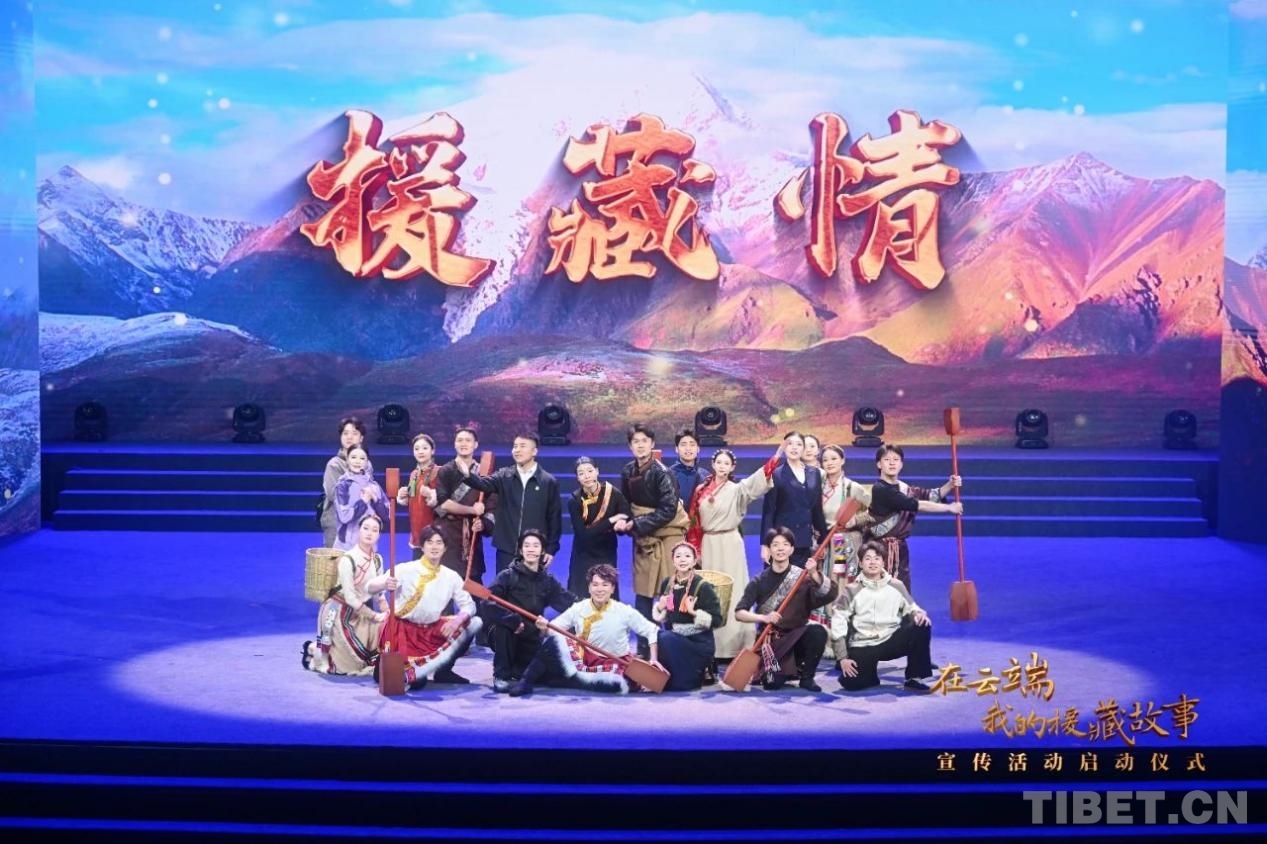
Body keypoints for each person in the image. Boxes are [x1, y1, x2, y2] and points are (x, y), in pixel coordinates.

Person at [683, 445, 782, 663]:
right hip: (708, 543)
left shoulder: (737, 490)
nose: (722, 466)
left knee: (735, 590)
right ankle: (713, 646)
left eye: (726, 463)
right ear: (713, 464)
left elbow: (758, 480)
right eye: (719, 462)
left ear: (732, 467)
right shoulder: (701, 490)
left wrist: (776, 457)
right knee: (710, 592)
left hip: (730, 542)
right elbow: (693, 522)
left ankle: (737, 645)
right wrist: (694, 548)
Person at [507, 563, 663, 697]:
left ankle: (566, 681)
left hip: (614, 662)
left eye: (605, 585)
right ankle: (526, 682)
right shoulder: (579, 608)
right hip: (583, 658)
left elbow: (651, 630)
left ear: (612, 588)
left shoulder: (625, 611)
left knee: (617, 685)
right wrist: (545, 627)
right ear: (589, 587)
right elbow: (555, 629)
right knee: (554, 641)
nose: (599, 589)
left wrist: (654, 659)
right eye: (595, 584)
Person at [369, 525, 482, 690]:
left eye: (439, 542)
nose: (434, 547)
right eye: (430, 542)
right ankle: (394, 667)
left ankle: (444, 671)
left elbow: (469, 605)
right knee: (412, 682)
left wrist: (457, 621)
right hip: (401, 632)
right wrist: (385, 583)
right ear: (422, 546)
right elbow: (370, 587)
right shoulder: (405, 569)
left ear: (445, 548)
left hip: (430, 631)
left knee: (472, 623)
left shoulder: (451, 576)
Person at [734, 527, 838, 691]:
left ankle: (807, 678)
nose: (780, 548)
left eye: (785, 544)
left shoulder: (802, 577)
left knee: (818, 632)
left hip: (798, 636)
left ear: (792, 549)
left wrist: (814, 574)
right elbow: (739, 613)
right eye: (775, 544)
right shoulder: (759, 581)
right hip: (774, 642)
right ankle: (786, 671)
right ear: (769, 550)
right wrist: (764, 618)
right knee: (772, 684)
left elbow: (828, 595)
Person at [611, 424, 689, 626]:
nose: (640, 445)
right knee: (643, 590)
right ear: (630, 446)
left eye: (644, 441)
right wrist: (624, 520)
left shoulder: (663, 473)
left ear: (652, 444)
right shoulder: (628, 471)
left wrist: (637, 523)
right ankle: (645, 640)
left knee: (670, 589)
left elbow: (668, 510)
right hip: (644, 537)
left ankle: (671, 636)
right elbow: (626, 504)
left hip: (668, 534)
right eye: (635, 441)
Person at [831, 540, 934, 693]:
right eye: (868, 558)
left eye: (877, 558)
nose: (873, 562)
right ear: (860, 563)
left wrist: (918, 614)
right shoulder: (851, 590)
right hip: (863, 644)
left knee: (922, 624)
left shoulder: (896, 585)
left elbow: (912, 607)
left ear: (883, 562)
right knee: (853, 684)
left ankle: (914, 677)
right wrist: (842, 657)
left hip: (890, 639)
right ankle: (869, 675)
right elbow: (838, 621)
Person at [483, 529, 578, 693]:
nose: (531, 549)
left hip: (532, 636)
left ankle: (518, 671)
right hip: (509, 634)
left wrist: (593, 606)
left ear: (542, 551)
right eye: (526, 546)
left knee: (549, 676)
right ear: (521, 550)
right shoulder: (507, 576)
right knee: (503, 628)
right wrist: (512, 620)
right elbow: (487, 602)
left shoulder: (547, 581)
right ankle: (501, 675)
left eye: (535, 546)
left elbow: (569, 603)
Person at [303, 514, 392, 676]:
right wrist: (374, 616)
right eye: (366, 528)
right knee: (348, 666)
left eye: (375, 530)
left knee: (385, 631)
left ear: (379, 534)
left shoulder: (377, 560)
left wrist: (386, 609)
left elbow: (379, 594)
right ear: (359, 531)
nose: (369, 533)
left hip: (359, 613)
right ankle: (314, 650)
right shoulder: (348, 559)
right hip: (338, 612)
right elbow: (350, 598)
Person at [865, 444, 963, 592]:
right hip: (880, 550)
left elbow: (931, 496)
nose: (892, 463)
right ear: (879, 464)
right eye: (887, 459)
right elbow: (917, 504)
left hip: (900, 549)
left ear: (901, 464)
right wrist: (949, 508)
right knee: (881, 592)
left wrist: (950, 485)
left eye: (896, 459)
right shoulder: (880, 489)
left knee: (902, 591)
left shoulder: (905, 488)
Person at [462, 431, 562, 575]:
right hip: (506, 548)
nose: (517, 450)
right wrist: (466, 474)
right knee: (504, 587)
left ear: (534, 451)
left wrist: (551, 548)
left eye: (522, 446)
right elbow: (483, 484)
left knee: (531, 588)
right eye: (515, 446)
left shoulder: (548, 481)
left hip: (534, 549)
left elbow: (554, 517)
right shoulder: (504, 475)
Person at [652, 542, 724, 691]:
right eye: (678, 556)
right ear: (673, 561)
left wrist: (694, 612)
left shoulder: (703, 586)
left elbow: (717, 620)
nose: (682, 560)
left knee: (665, 638)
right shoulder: (667, 583)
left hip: (698, 643)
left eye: (687, 556)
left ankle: (702, 669)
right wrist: (660, 607)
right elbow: (666, 616)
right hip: (675, 640)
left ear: (694, 560)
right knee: (657, 637)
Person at [433, 427, 495, 582]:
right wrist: (472, 510)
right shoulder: (446, 471)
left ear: (475, 444)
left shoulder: (484, 473)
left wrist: (483, 523)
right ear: (454, 444)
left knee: (472, 580)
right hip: (447, 531)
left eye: (468, 440)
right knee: (446, 581)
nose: (464, 443)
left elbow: (492, 506)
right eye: (460, 440)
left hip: (471, 533)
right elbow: (444, 504)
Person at [760, 431, 827, 566]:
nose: (794, 447)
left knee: (801, 578)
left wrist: (823, 541)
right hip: (781, 542)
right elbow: (768, 511)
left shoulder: (814, 473)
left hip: (804, 541)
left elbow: (817, 509)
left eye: (799, 444)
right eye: (790, 444)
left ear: (803, 449)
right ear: (784, 447)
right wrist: (765, 544)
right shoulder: (776, 474)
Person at [565, 457, 630, 598]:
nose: (586, 476)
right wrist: (611, 520)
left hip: (606, 550)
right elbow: (583, 535)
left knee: (607, 593)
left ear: (597, 471)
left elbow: (626, 514)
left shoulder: (612, 493)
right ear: (577, 477)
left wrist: (621, 523)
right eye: (581, 473)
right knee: (582, 595)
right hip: (583, 553)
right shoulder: (574, 501)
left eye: (590, 471)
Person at [818, 444, 873, 584]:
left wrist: (856, 520)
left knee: (841, 581)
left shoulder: (852, 487)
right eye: (825, 460)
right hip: (822, 541)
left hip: (843, 540)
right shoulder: (818, 487)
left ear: (842, 460)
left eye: (834, 458)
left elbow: (874, 510)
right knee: (823, 582)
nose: (829, 463)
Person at [320, 416, 368, 548]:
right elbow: (333, 495)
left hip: (360, 521)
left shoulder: (367, 464)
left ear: (361, 438)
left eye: (354, 433)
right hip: (336, 521)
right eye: (345, 433)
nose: (349, 437)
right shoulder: (334, 464)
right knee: (336, 559)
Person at [332, 445, 390, 551]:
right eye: (353, 457)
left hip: (369, 547)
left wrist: (375, 499)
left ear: (367, 462)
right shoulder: (343, 485)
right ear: (347, 460)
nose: (357, 461)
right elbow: (344, 517)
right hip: (346, 547)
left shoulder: (374, 486)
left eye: (362, 458)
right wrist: (363, 502)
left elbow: (388, 515)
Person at [397, 433, 441, 560]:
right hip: (417, 531)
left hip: (434, 531)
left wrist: (432, 494)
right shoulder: (414, 474)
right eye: (416, 449)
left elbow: (445, 499)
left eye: (425, 448)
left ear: (433, 450)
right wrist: (403, 495)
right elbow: (411, 497)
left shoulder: (439, 472)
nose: (420, 451)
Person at [669, 429, 710, 509]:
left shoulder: (706, 476)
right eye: (683, 445)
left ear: (698, 449)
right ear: (676, 449)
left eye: (692, 445)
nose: (688, 448)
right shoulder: (668, 475)